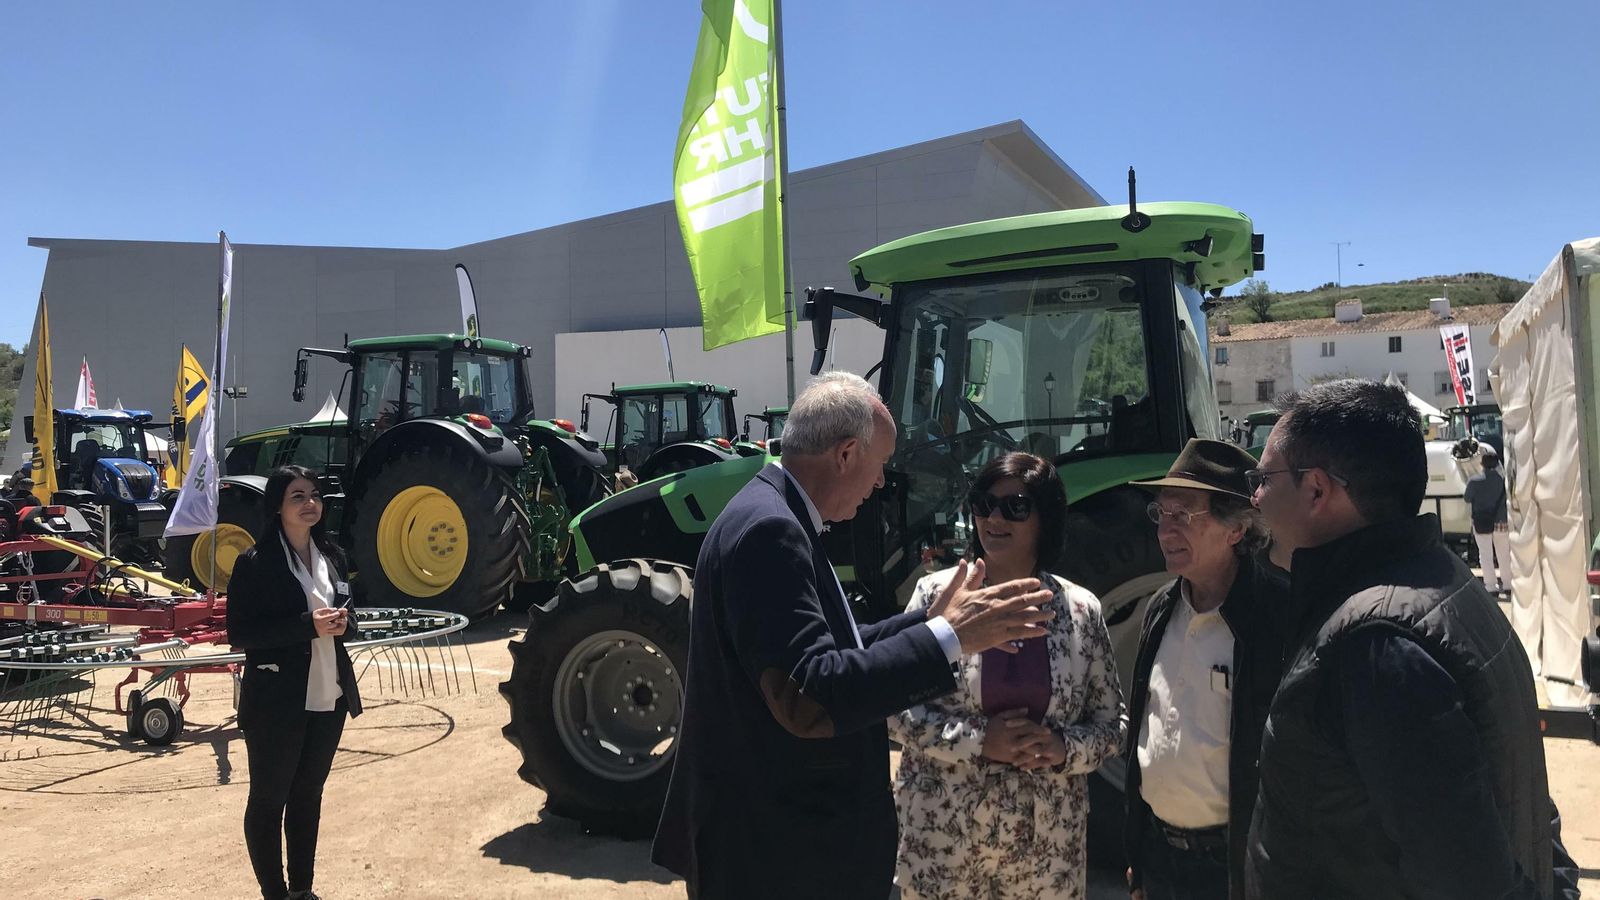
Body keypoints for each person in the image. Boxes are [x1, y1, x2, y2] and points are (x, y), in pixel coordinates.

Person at [652, 372, 1058, 900]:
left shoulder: (775, 513)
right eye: (880, 464)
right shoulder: (771, 532)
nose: (882, 483)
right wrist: (949, 637)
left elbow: (831, 644)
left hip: (772, 842)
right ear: (846, 455)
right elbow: (811, 694)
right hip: (779, 856)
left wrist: (928, 619)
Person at [1245, 379, 1553, 899]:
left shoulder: (1375, 646)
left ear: (1316, 490)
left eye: (1263, 478)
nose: (1253, 498)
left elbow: (1471, 881)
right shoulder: (1447, 581)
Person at [890, 452, 1125, 899]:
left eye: (1014, 507)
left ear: (1045, 519)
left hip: (1046, 852)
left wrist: (1061, 747)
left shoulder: (1080, 610)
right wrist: (980, 740)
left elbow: (1113, 728)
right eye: (983, 503)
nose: (993, 518)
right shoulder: (936, 596)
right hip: (945, 843)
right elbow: (894, 707)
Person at [1122, 439, 1286, 900]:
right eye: (1161, 514)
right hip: (1160, 857)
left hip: (1233, 867)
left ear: (1236, 528)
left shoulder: (1274, 619)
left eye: (1184, 515)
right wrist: (1137, 855)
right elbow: (1142, 732)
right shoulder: (1159, 609)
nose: (1165, 531)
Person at [228, 465, 364, 900]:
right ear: (277, 508)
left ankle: (302, 892)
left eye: (315, 496)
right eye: (298, 496)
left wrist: (346, 624)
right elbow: (242, 634)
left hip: (329, 694)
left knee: (307, 797)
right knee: (270, 801)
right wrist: (307, 625)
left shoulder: (335, 557)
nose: (310, 504)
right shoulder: (255, 563)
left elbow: (350, 613)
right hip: (277, 700)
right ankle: (276, 893)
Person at [1464, 446, 1512, 595]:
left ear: (1482, 464)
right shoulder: (1503, 480)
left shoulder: (1474, 481)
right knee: (1503, 554)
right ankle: (1508, 584)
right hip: (1501, 521)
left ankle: (1491, 586)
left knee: (1485, 554)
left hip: (1481, 521)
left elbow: (1467, 498)